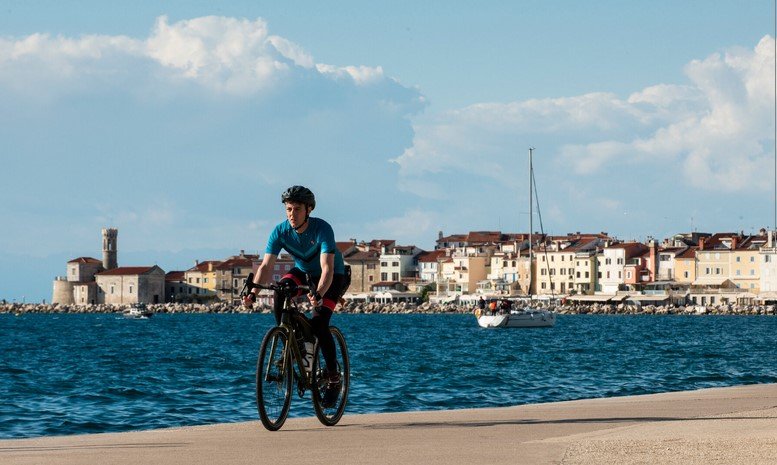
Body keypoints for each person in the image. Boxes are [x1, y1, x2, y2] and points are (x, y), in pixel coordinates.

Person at [243, 186, 349, 408]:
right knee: (281, 289)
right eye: (288, 209)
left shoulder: (322, 229)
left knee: (319, 324)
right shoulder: (280, 231)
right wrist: (253, 293)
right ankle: (290, 342)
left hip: (333, 277)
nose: (292, 214)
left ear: (308, 209)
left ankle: (333, 377)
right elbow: (266, 266)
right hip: (304, 273)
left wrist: (318, 294)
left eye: (297, 209)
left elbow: (327, 269)